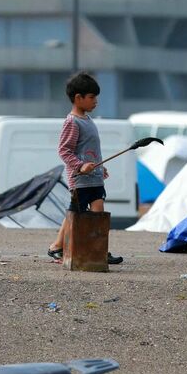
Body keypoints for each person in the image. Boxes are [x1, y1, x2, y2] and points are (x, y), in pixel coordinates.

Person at [47, 72, 123, 265]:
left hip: (94, 178)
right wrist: (80, 166)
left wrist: (100, 168)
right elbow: (64, 151)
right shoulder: (72, 122)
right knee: (75, 215)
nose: (95, 101)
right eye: (91, 97)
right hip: (80, 180)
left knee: (98, 214)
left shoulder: (88, 120)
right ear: (78, 98)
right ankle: (57, 246)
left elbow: (92, 151)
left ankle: (98, 250)